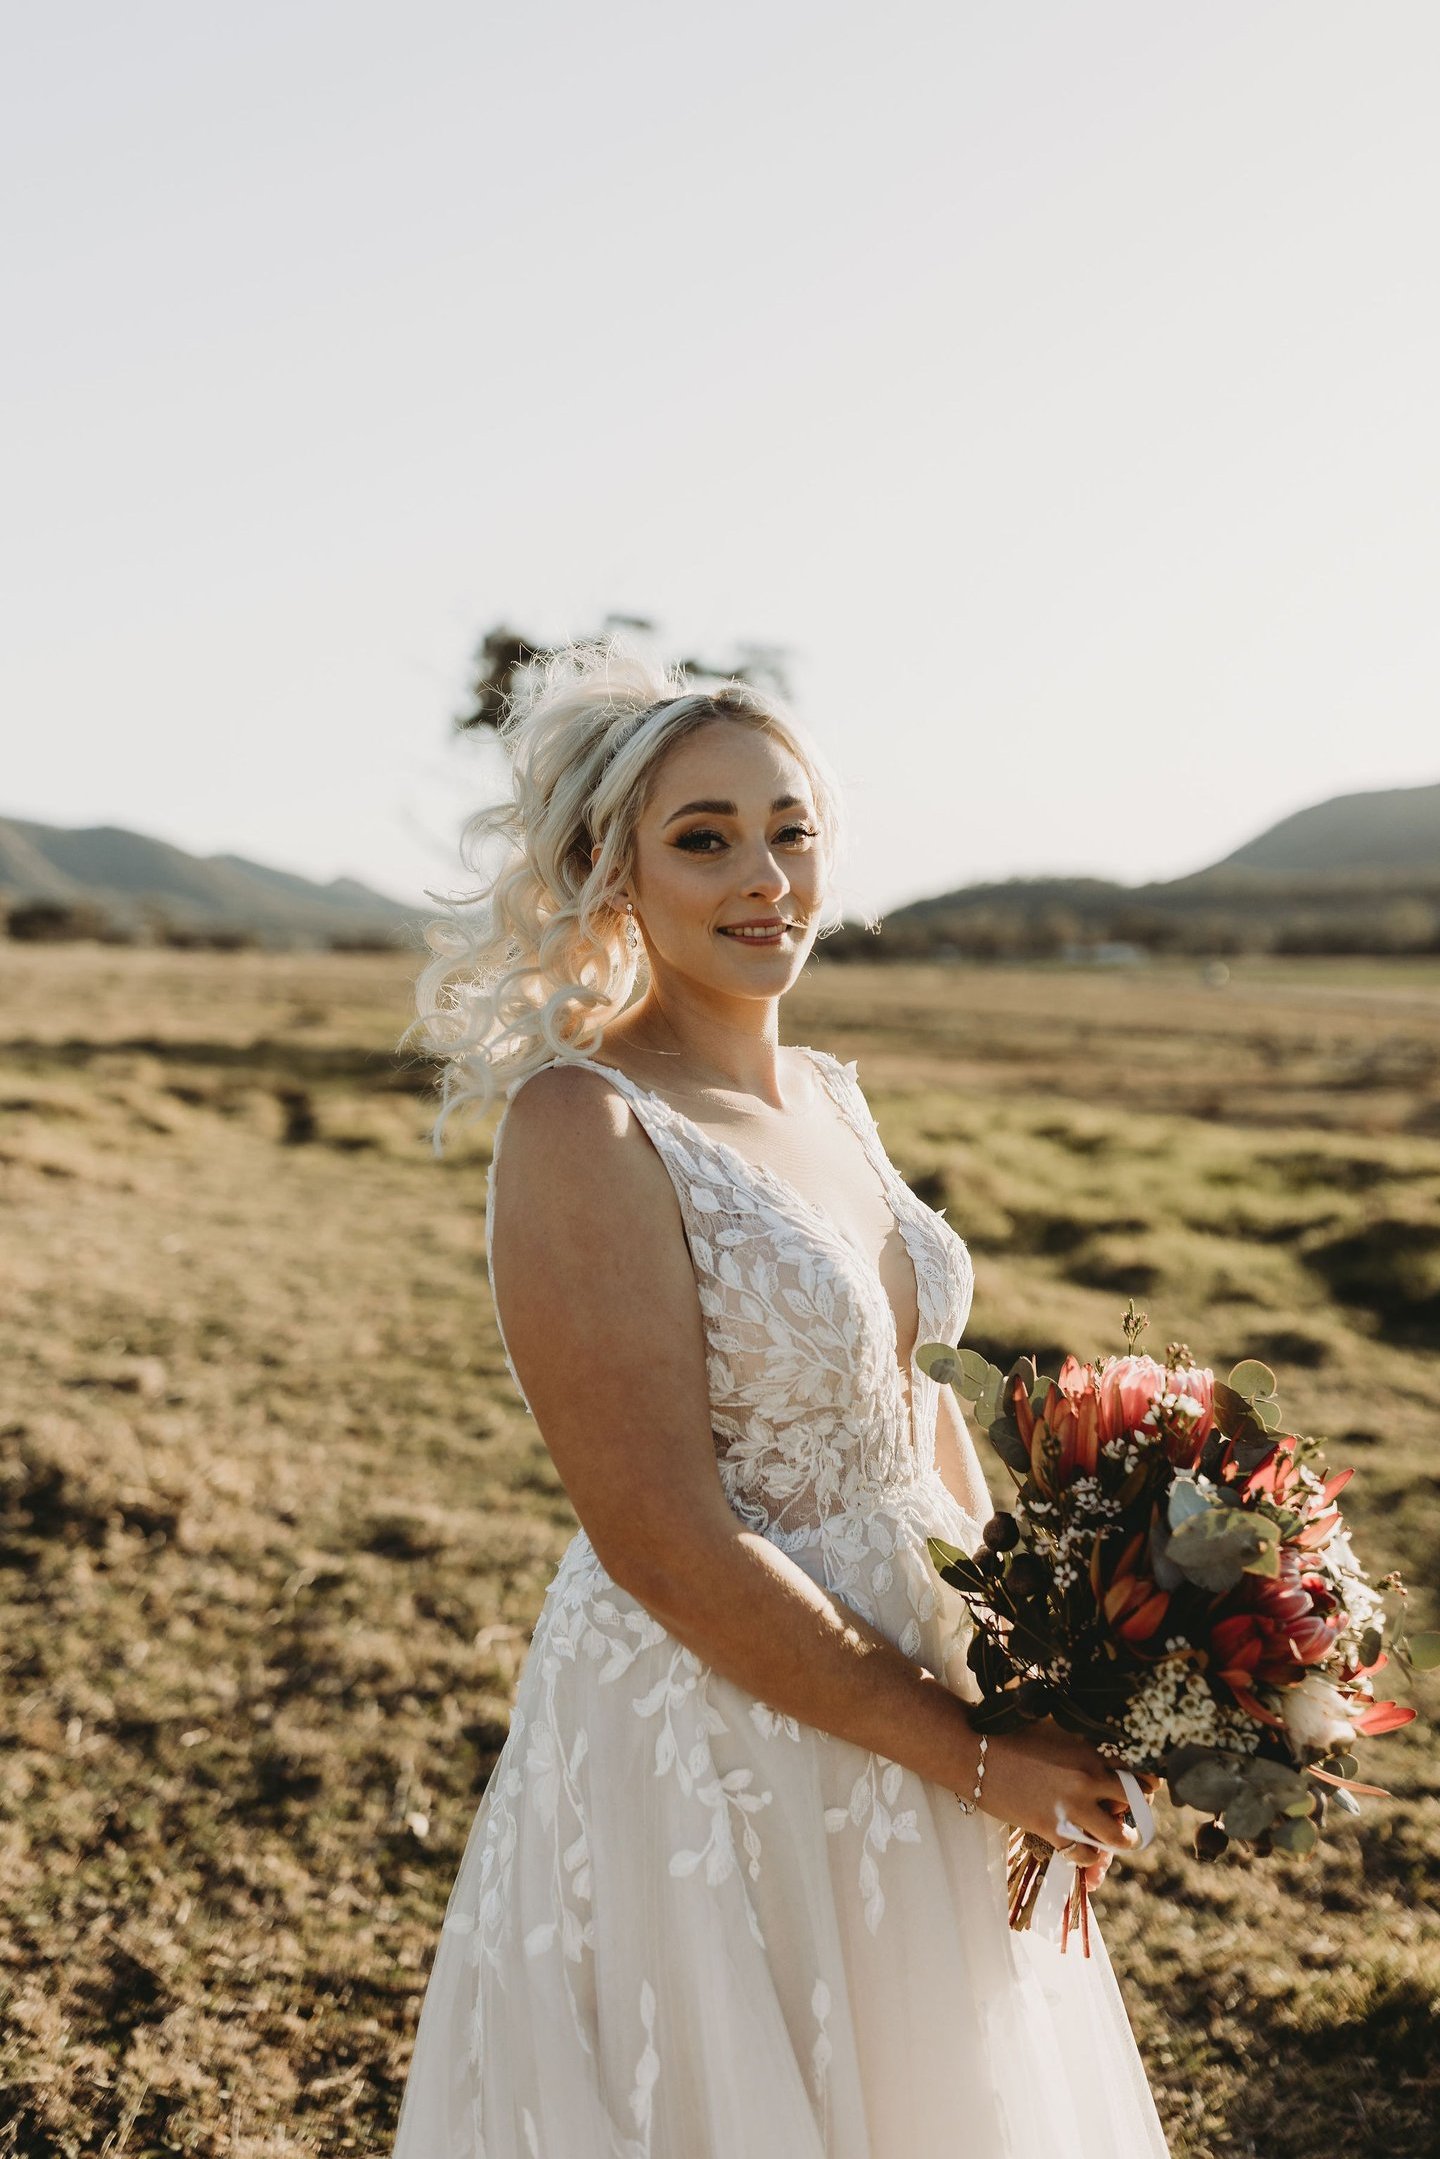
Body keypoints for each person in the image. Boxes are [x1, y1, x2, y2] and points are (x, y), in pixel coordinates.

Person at [393, 637, 1171, 2157]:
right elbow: (662, 1540)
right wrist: (964, 1748)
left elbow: (918, 1409)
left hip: (930, 1681)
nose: (765, 877)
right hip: (721, 1730)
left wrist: (1058, 1664)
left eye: (789, 829)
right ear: (614, 876)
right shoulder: (584, 1127)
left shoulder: (825, 1092)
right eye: (705, 839)